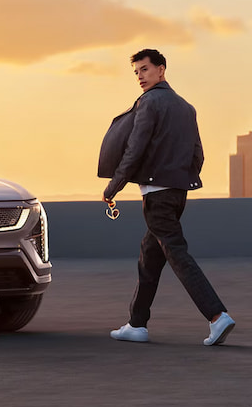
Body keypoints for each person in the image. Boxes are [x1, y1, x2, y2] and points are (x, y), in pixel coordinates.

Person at [98, 49, 235, 346]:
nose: (140, 77)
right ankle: (137, 324)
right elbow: (198, 154)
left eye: (145, 70)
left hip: (157, 195)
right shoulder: (186, 107)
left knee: (177, 254)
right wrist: (182, 179)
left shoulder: (149, 103)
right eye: (136, 72)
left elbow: (135, 148)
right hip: (177, 192)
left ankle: (216, 316)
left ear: (161, 70)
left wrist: (113, 187)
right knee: (150, 256)